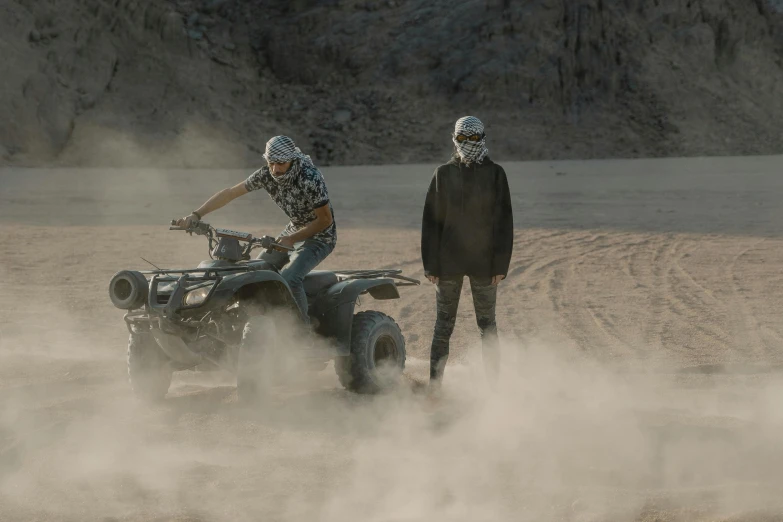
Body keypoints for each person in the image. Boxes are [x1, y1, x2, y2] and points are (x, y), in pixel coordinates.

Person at [176, 135, 336, 325]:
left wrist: (292, 239)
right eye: (271, 163)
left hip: (320, 237)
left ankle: (302, 333)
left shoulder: (310, 178)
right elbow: (230, 193)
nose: (276, 169)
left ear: (292, 159)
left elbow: (325, 220)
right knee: (256, 272)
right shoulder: (266, 175)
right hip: (293, 229)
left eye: (281, 163)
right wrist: (196, 215)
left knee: (290, 278)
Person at [420, 116, 514, 392]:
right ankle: (434, 389)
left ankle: (494, 389)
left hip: (485, 263)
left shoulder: (496, 174)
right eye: (460, 138)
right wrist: (430, 264)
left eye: (472, 138)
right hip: (448, 263)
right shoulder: (443, 173)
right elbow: (430, 222)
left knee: (487, 326)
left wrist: (501, 265)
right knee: (443, 326)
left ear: (482, 138)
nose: (466, 144)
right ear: (454, 139)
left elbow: (504, 222)